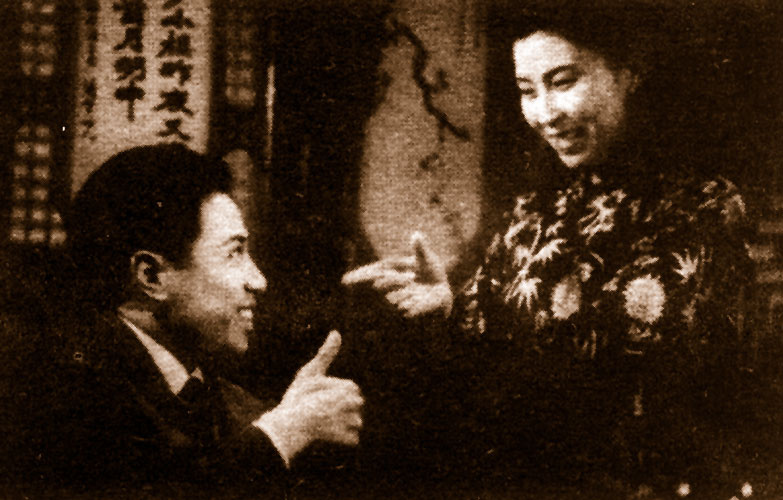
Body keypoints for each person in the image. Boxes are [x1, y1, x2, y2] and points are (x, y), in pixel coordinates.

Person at [343, 4, 754, 494]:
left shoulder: (703, 205)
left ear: (629, 73)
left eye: (562, 82)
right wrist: (448, 305)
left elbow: (619, 383)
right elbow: (491, 340)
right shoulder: (535, 209)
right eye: (527, 91)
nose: (544, 114)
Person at [27, 144, 363, 498]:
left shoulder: (233, 404)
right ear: (152, 276)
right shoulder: (64, 396)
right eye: (234, 253)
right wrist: (283, 433)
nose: (259, 280)